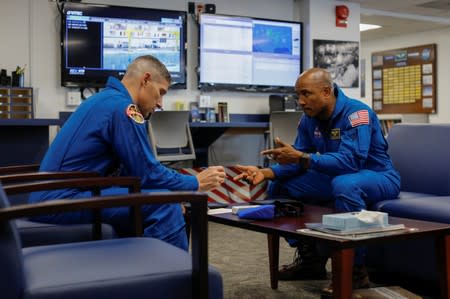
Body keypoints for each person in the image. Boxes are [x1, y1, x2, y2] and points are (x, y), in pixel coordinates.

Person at [29, 55, 226, 251]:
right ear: (145, 80)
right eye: (160, 92)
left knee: (163, 199)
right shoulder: (124, 108)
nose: (160, 104)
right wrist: (195, 183)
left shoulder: (106, 99)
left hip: (57, 197)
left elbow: (132, 174)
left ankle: (137, 269)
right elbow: (147, 173)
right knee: (165, 207)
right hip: (61, 201)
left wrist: (167, 192)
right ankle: (175, 278)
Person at [234, 68, 400, 292]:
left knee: (344, 184)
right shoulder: (308, 120)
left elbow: (351, 162)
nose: (300, 101)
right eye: (297, 96)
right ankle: (310, 259)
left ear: (325, 92)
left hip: (378, 175)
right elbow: (297, 159)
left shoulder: (357, 113)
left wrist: (303, 158)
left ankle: (355, 271)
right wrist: (266, 173)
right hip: (337, 175)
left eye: (306, 94)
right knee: (281, 186)